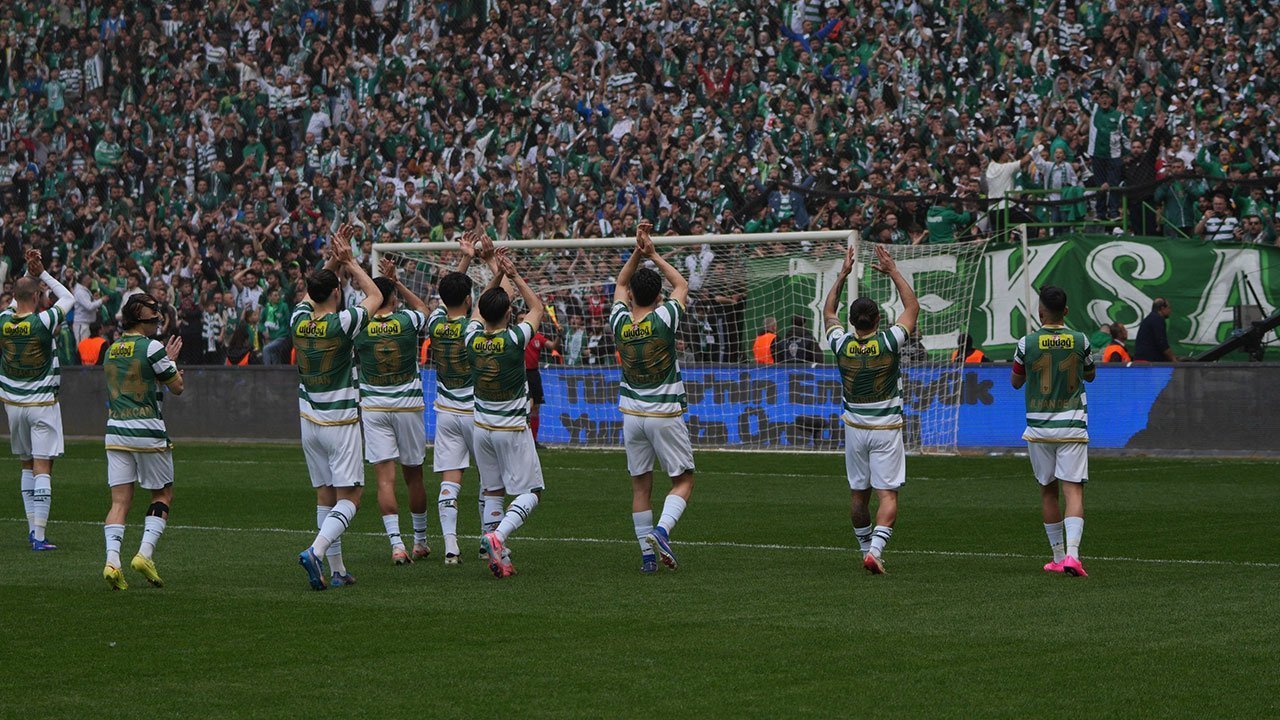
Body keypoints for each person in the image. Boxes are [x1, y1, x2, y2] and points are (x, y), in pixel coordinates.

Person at [294, 225, 383, 591]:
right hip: (340, 422)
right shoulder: (343, 322)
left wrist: (333, 262)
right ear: (336, 292)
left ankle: (337, 570)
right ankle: (315, 551)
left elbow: (311, 291)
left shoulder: (298, 318)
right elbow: (375, 294)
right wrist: (350, 261)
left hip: (309, 421)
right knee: (352, 497)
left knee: (325, 495)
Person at [822, 243, 920, 574]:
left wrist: (842, 274)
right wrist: (893, 271)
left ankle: (866, 549)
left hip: (854, 430)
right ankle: (875, 551)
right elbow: (912, 307)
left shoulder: (840, 343)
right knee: (887, 495)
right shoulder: (889, 341)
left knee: (858, 496)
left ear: (851, 321)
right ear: (878, 319)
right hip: (886, 429)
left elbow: (828, 312)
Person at [611, 221, 694, 574]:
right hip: (664, 413)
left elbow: (619, 283)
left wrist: (637, 250)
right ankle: (661, 531)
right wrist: (654, 254)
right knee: (684, 480)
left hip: (631, 415)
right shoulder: (664, 318)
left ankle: (647, 559)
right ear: (659, 296)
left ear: (631, 295)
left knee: (640, 487)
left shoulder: (619, 321)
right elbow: (682, 284)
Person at [101, 293, 186, 590]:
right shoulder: (152, 347)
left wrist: (163, 367)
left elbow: (139, 379)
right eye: (154, 315)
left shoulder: (111, 349)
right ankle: (144, 554)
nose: (158, 319)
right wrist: (170, 364)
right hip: (147, 430)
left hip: (116, 431)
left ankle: (112, 561)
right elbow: (177, 387)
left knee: (119, 501)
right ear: (140, 318)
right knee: (162, 494)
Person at [470, 248, 546, 579]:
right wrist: (512, 273)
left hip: (481, 427)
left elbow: (479, 307)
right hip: (511, 428)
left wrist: (496, 274)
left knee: (492, 491)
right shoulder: (515, 338)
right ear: (508, 312)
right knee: (532, 492)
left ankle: (497, 556)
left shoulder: (471, 336)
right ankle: (497, 537)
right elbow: (537, 307)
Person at [1011, 286, 1096, 578]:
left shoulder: (1026, 343)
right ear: (1066, 312)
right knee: (1073, 491)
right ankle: (1073, 556)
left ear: (1040, 313)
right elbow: (1091, 375)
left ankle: (1058, 557)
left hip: (1039, 428)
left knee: (1048, 491)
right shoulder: (1081, 340)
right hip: (1071, 425)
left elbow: (1015, 382)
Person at [356, 256, 430, 565]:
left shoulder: (358, 325)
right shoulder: (408, 320)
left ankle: (397, 545)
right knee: (414, 476)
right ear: (395, 299)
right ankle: (420, 541)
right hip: (408, 406)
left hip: (374, 407)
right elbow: (424, 309)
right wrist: (398, 283)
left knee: (384, 480)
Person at [425, 231, 493, 565]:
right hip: (474, 411)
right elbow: (491, 299)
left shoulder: (435, 323)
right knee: (489, 478)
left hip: (446, 411)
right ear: (468, 300)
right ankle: (486, 541)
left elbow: (448, 295)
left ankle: (450, 546)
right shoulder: (471, 328)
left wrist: (464, 258)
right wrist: (494, 266)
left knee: (450, 480)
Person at [1, 250, 75, 551]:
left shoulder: (3, 321)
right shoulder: (43, 321)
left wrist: (29, 276)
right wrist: (42, 272)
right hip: (41, 404)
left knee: (26, 465)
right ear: (36, 296)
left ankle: (32, 530)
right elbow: (68, 297)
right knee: (43, 466)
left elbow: (15, 301)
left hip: (13, 405)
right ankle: (40, 537)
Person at [1134, 298, 1176, 363]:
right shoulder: (1158, 319)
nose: (1170, 311)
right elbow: (1162, 344)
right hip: (1149, 362)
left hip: (1141, 359)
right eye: (1169, 308)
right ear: (1162, 308)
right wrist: (1174, 360)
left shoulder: (1149, 318)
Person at [72, 273, 104, 343]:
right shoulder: (80, 292)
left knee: (86, 345)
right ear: (84, 280)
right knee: (81, 346)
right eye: (89, 279)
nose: (91, 281)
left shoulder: (85, 290)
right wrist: (101, 300)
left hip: (86, 324)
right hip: (81, 324)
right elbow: (89, 306)